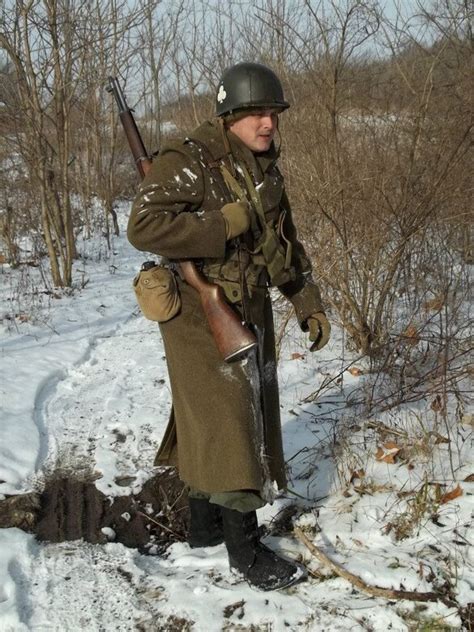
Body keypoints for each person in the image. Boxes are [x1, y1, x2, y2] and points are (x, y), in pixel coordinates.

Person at [127, 62, 330, 590]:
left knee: (220, 420)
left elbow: (282, 242)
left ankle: (203, 529)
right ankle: (245, 548)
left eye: (273, 114)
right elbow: (143, 226)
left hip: (248, 307)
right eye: (258, 114)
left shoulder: (264, 167)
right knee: (231, 423)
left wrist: (305, 299)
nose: (270, 124)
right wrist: (220, 225)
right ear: (231, 115)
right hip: (198, 313)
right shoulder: (190, 160)